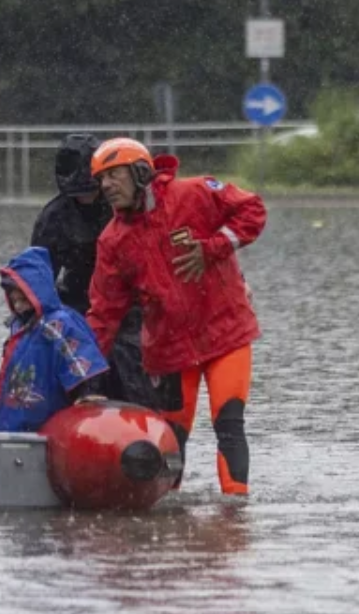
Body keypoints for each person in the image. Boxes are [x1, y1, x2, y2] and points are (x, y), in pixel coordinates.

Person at [86, 138, 267, 496]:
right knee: (172, 436)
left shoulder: (195, 193)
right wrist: (82, 374)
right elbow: (103, 314)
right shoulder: (112, 241)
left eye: (113, 175)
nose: (106, 185)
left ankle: (235, 514)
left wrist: (212, 248)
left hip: (225, 335)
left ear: (141, 172)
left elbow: (253, 210)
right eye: (100, 179)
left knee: (228, 424)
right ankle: (168, 511)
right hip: (169, 350)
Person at [0, 247, 109, 433]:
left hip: (49, 411)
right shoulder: (21, 326)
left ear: (38, 293)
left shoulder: (59, 324)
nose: (19, 307)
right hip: (20, 408)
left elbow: (81, 360)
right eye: (15, 301)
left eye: (24, 300)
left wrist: (88, 392)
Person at [29, 134, 111, 314]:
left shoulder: (123, 205)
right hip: (77, 300)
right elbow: (38, 278)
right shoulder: (53, 218)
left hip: (127, 299)